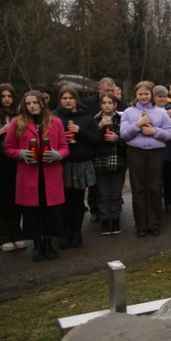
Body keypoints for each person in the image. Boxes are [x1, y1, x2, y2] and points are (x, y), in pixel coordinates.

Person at [5, 91, 69, 261]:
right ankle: (37, 246)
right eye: (28, 103)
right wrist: (20, 154)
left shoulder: (56, 122)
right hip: (29, 176)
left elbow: (65, 147)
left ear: (42, 103)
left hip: (51, 175)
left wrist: (58, 154)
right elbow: (9, 148)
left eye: (35, 102)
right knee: (32, 213)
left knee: (51, 212)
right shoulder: (16, 123)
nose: (32, 106)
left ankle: (48, 244)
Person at [120, 81, 171, 237]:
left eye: (146, 94)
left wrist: (154, 131)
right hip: (136, 152)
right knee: (138, 189)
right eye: (140, 94)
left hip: (155, 154)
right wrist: (138, 124)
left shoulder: (160, 112)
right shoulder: (128, 112)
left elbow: (169, 134)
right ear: (135, 95)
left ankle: (154, 223)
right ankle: (141, 226)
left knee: (153, 188)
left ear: (151, 95)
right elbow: (124, 135)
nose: (143, 97)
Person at [54, 86, 101, 248]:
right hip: (61, 165)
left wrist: (80, 131)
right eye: (64, 98)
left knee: (78, 201)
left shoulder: (87, 117)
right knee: (63, 201)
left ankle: (76, 232)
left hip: (81, 164)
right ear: (59, 100)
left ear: (76, 100)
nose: (68, 101)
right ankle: (65, 233)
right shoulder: (54, 117)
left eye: (71, 98)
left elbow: (96, 140)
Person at [92, 92, 127, 236]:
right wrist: (99, 127)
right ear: (100, 105)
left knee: (116, 193)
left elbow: (128, 138)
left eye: (110, 103)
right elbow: (91, 139)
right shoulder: (95, 119)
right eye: (104, 103)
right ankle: (105, 220)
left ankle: (115, 218)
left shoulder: (122, 118)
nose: (107, 105)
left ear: (115, 105)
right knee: (103, 193)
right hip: (100, 161)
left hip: (118, 159)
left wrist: (117, 138)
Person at [0, 83, 24, 251]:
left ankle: (16, 232)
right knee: (1, 198)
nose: (7, 99)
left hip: (15, 159)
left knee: (17, 196)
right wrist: (1, 131)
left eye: (9, 96)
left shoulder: (20, 114)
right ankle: (3, 235)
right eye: (3, 96)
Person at [153, 85, 171, 214]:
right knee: (156, 179)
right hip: (155, 149)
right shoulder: (150, 110)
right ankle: (157, 202)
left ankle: (169, 202)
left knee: (169, 178)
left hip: (170, 149)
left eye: (165, 96)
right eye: (159, 96)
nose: (162, 99)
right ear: (154, 97)